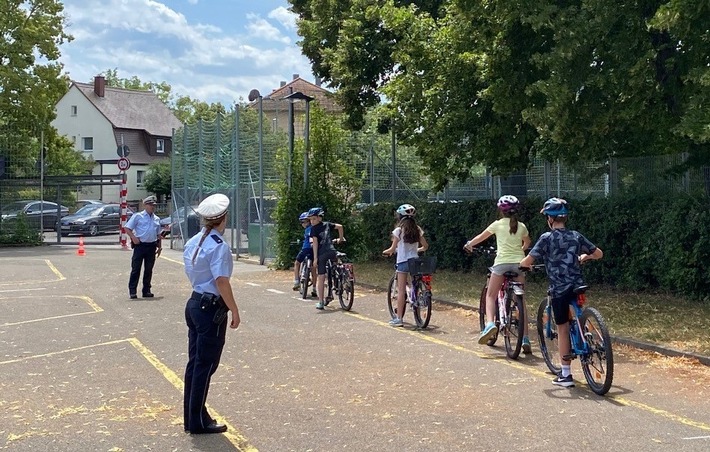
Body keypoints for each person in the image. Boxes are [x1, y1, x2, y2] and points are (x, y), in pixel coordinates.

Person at [520, 197, 603, 387]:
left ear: (550, 218)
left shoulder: (546, 238)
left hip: (559, 288)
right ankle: (589, 336)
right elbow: (598, 253)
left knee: (563, 327)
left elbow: (528, 261)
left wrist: (523, 265)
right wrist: (584, 256)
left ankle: (565, 375)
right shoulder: (575, 235)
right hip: (577, 284)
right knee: (577, 314)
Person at [183, 193, 241, 434]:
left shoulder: (193, 241)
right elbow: (221, 281)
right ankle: (197, 420)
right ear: (223, 219)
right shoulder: (219, 246)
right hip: (210, 308)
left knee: (195, 363)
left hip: (195, 302)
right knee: (206, 365)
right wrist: (234, 310)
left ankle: (192, 414)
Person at [463, 195, 532, 350]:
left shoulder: (497, 224)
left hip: (501, 263)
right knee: (520, 300)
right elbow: (527, 242)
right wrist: (520, 251)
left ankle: (489, 324)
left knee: (490, 295)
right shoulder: (521, 226)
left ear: (501, 211)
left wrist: (469, 244)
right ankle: (526, 339)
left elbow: (481, 237)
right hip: (519, 264)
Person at [382, 204, 429, 327]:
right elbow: (425, 246)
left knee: (401, 290)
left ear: (400, 216)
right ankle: (418, 314)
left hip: (403, 261)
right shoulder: (417, 229)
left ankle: (399, 319)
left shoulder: (398, 230)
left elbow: (393, 249)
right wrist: (416, 250)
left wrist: (386, 251)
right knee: (415, 286)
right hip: (415, 261)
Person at [125, 195, 162, 299]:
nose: (152, 207)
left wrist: (160, 247)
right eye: (150, 205)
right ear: (145, 205)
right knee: (136, 269)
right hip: (140, 246)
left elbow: (158, 234)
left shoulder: (156, 219)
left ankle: (146, 290)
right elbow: (127, 228)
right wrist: (133, 237)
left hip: (151, 246)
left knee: (148, 270)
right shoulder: (138, 216)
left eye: (154, 205)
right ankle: (132, 291)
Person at [308, 207, 345, 310]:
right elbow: (340, 227)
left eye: (314, 219)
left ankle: (320, 302)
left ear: (319, 218)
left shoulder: (313, 229)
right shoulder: (327, 224)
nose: (312, 221)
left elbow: (315, 244)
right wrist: (341, 239)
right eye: (310, 219)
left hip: (322, 254)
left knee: (321, 277)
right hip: (331, 250)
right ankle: (340, 278)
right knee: (336, 263)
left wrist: (315, 258)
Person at [292, 212, 317, 296]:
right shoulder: (314, 228)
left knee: (297, 263)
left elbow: (310, 238)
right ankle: (314, 288)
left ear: (308, 222)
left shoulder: (308, 229)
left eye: (303, 222)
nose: (302, 224)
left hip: (306, 248)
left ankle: (296, 281)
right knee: (313, 268)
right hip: (313, 250)